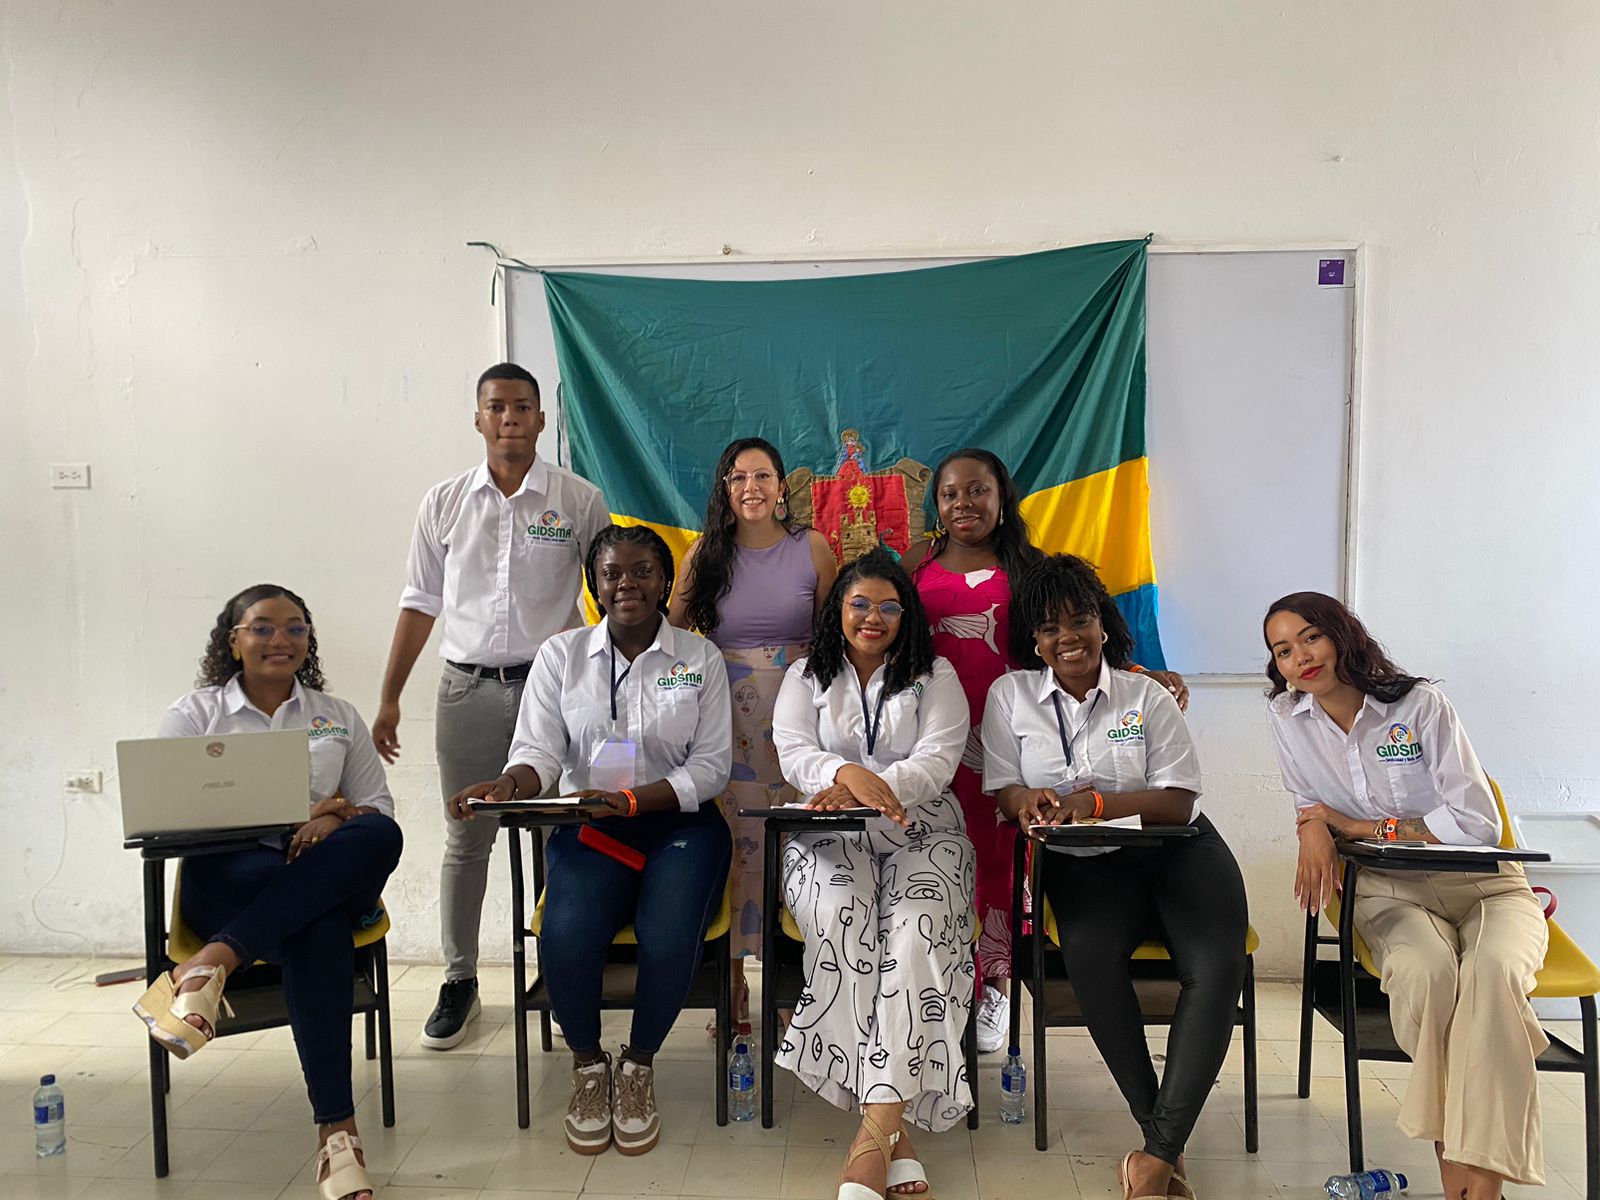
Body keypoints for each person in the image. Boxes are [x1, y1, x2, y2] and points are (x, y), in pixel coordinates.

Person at [448, 524, 732, 1157]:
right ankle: (587, 1064)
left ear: (664, 581)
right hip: (591, 827)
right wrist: (507, 783)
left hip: (679, 825)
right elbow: (539, 751)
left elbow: (710, 767)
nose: (626, 583)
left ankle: (637, 1067)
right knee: (568, 934)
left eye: (641, 571)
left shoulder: (697, 658)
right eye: (611, 573)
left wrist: (633, 799)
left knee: (668, 933)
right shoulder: (561, 656)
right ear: (595, 584)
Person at [904, 447, 1189, 1054]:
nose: (964, 504)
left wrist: (1138, 672)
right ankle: (941, 986)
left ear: (1002, 496)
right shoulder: (915, 564)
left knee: (1002, 860)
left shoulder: (1028, 567)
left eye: (977, 490)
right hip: (931, 739)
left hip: (1014, 737)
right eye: (951, 493)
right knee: (937, 860)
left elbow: (1077, 638)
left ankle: (995, 987)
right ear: (937, 503)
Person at [1264, 592, 1548, 1199]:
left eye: (1310, 637)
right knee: (1425, 973)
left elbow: (1476, 824)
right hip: (1388, 890)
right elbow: (1308, 801)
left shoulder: (1419, 704)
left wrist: (1359, 827)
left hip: (1487, 881)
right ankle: (1468, 1172)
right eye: (1282, 650)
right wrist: (1313, 825)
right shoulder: (1288, 718)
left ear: (1342, 635)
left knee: (1495, 973)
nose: (1299, 658)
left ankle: (1472, 1178)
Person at [983, 554, 1245, 1200]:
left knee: (1215, 969)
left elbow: (1179, 800)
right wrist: (1031, 804)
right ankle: (1162, 1143)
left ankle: (1153, 1161)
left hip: (1178, 850)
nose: (1067, 638)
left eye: (1080, 621)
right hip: (1084, 865)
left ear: (1104, 625)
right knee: (1092, 960)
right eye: (1050, 629)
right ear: (1034, 640)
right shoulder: (1010, 696)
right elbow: (1005, 791)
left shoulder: (1145, 694)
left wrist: (1094, 802)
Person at [132, 584, 403, 1200]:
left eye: (295, 628)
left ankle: (209, 966)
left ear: (308, 641)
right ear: (232, 640)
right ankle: (338, 1135)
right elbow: (167, 817)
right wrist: (290, 813)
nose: (280, 639)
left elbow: (377, 808)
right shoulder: (195, 714)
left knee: (378, 835)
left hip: (324, 865)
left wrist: (333, 819)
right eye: (262, 627)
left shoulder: (336, 714)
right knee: (319, 924)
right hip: (231, 879)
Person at [373, 362, 609, 1050]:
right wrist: (389, 697)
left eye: (523, 407)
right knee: (466, 836)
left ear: (541, 420)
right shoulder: (444, 502)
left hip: (554, 691)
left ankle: (560, 977)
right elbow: (420, 601)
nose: (510, 418)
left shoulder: (579, 499)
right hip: (467, 689)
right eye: (497, 407)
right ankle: (459, 981)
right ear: (478, 419)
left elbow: (610, 593)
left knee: (557, 837)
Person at [772, 549, 975, 1200]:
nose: (873, 617)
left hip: (923, 824)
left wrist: (869, 784)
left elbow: (939, 759)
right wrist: (841, 777)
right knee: (840, 918)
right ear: (838, 610)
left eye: (889, 606)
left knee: (916, 932)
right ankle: (895, 1132)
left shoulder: (934, 673)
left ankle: (872, 1135)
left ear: (906, 614)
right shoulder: (806, 674)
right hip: (826, 829)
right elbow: (794, 749)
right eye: (860, 603)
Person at [668, 436, 837, 1025]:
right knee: (736, 841)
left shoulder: (812, 548)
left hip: (799, 716)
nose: (751, 488)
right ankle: (733, 982)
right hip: (726, 718)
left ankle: (796, 988)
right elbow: (673, 637)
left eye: (762, 475)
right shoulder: (702, 555)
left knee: (797, 839)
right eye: (738, 477)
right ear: (724, 488)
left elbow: (833, 639)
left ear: (782, 486)